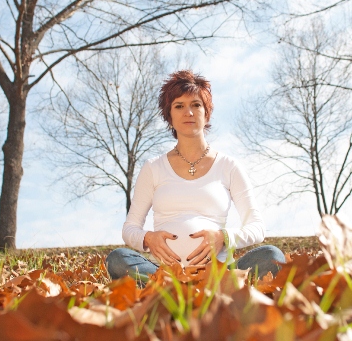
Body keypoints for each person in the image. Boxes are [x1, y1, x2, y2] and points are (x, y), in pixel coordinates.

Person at [106, 70, 285, 285]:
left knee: (272, 256)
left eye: (196, 105)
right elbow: (130, 228)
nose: (188, 112)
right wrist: (148, 238)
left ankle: (192, 292)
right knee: (117, 259)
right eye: (179, 106)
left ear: (206, 113)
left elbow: (257, 227)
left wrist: (224, 237)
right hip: (165, 274)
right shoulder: (153, 167)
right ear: (169, 116)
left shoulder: (229, 166)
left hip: (217, 273)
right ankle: (180, 290)